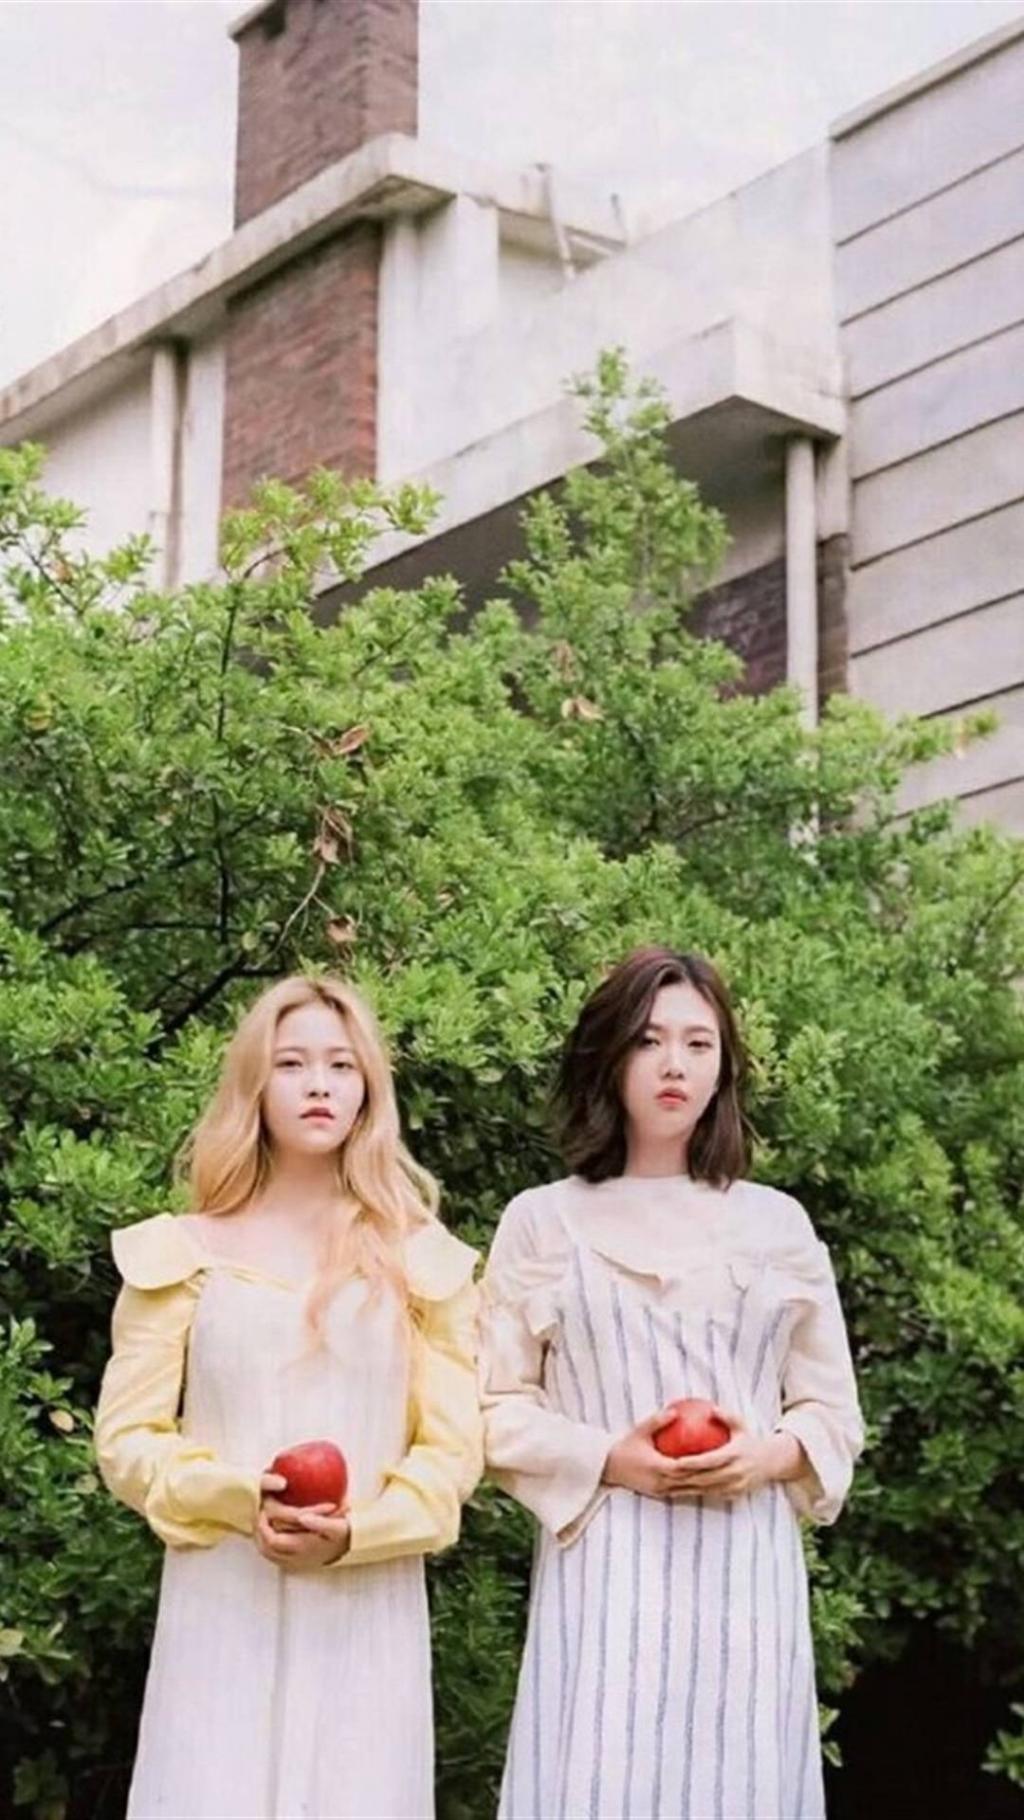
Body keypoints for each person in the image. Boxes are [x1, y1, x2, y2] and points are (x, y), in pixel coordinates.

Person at [481, 945, 863, 1820]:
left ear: (723, 1065)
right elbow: (494, 1408)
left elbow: (833, 1411)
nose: (674, 1065)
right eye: (649, 1041)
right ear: (609, 1056)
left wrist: (766, 1457)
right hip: (602, 1575)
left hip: (744, 1576)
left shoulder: (777, 1225)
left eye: (698, 1043)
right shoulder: (541, 1221)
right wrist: (609, 1457)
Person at [95, 974, 481, 1820]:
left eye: (342, 1065)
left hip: (366, 1617)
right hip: (220, 1606)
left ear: (368, 1088)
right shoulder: (182, 1255)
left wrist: (356, 1535)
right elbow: (127, 1441)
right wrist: (242, 1499)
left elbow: (452, 1458)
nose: (318, 1085)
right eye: (292, 1063)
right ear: (254, 1085)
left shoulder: (423, 1263)